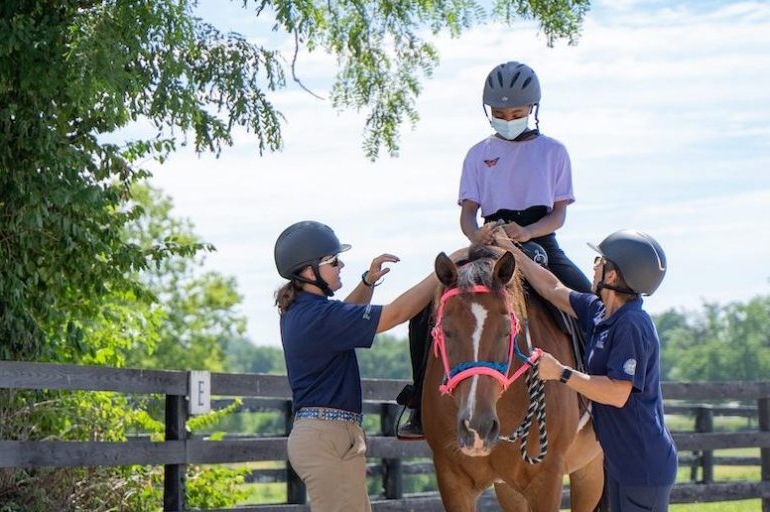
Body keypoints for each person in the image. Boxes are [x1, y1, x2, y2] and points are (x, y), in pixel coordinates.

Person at [399, 60, 591, 439]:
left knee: (590, 303)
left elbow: (557, 216)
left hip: (539, 242)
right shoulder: (477, 154)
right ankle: (418, 404)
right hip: (488, 242)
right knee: (423, 313)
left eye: (516, 113)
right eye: (500, 114)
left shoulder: (554, 151)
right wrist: (477, 236)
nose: (508, 119)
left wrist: (527, 232)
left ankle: (596, 396)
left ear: (533, 109)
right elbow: (468, 215)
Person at [497, 228, 677, 512]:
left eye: (599, 262)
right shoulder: (599, 312)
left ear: (613, 275)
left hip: (642, 465)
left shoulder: (632, 325)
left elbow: (618, 392)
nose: (593, 267)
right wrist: (512, 251)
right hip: (621, 461)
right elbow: (552, 288)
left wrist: (561, 373)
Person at [274, 220, 437, 511]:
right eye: (333, 261)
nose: (342, 266)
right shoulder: (317, 316)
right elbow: (396, 314)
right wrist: (443, 271)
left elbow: (345, 316)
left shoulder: (306, 311)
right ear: (309, 271)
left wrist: (367, 283)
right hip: (328, 440)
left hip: (327, 436)